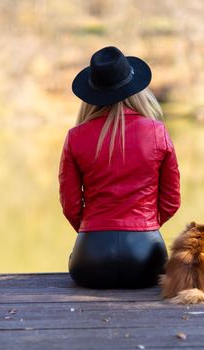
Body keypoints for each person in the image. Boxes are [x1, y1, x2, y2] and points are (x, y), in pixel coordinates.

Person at [59, 46, 181, 289]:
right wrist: (143, 226)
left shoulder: (75, 137)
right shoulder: (157, 132)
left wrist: (92, 230)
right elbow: (171, 201)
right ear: (136, 90)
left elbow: (71, 206)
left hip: (90, 262)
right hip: (147, 261)